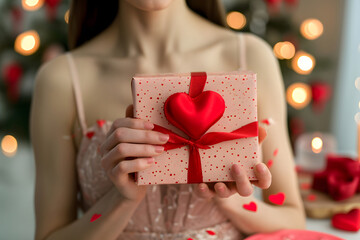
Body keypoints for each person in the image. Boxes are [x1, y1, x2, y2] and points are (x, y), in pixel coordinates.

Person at [30, 0, 305, 239]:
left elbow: (292, 217)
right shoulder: (63, 80)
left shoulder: (251, 57)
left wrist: (232, 202)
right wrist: (121, 200)